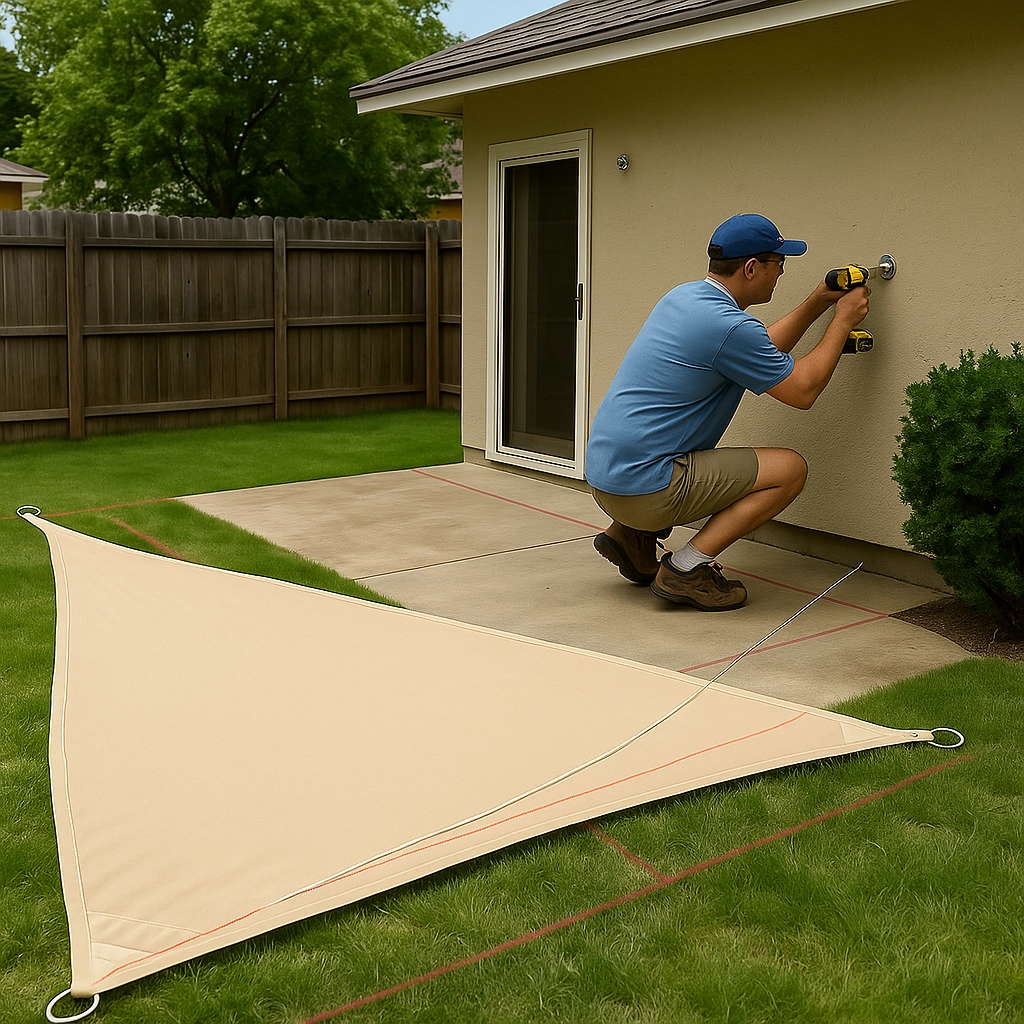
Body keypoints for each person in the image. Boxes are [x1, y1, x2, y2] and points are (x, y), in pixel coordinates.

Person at [585, 213, 870, 611]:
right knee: (790, 470)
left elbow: (759, 348)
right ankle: (685, 569)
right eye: (778, 263)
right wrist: (842, 322)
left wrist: (819, 300)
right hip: (645, 491)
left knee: (665, 456)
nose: (781, 272)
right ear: (751, 268)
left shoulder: (684, 298)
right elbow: (803, 391)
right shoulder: (729, 327)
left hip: (606, 481)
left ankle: (629, 536)